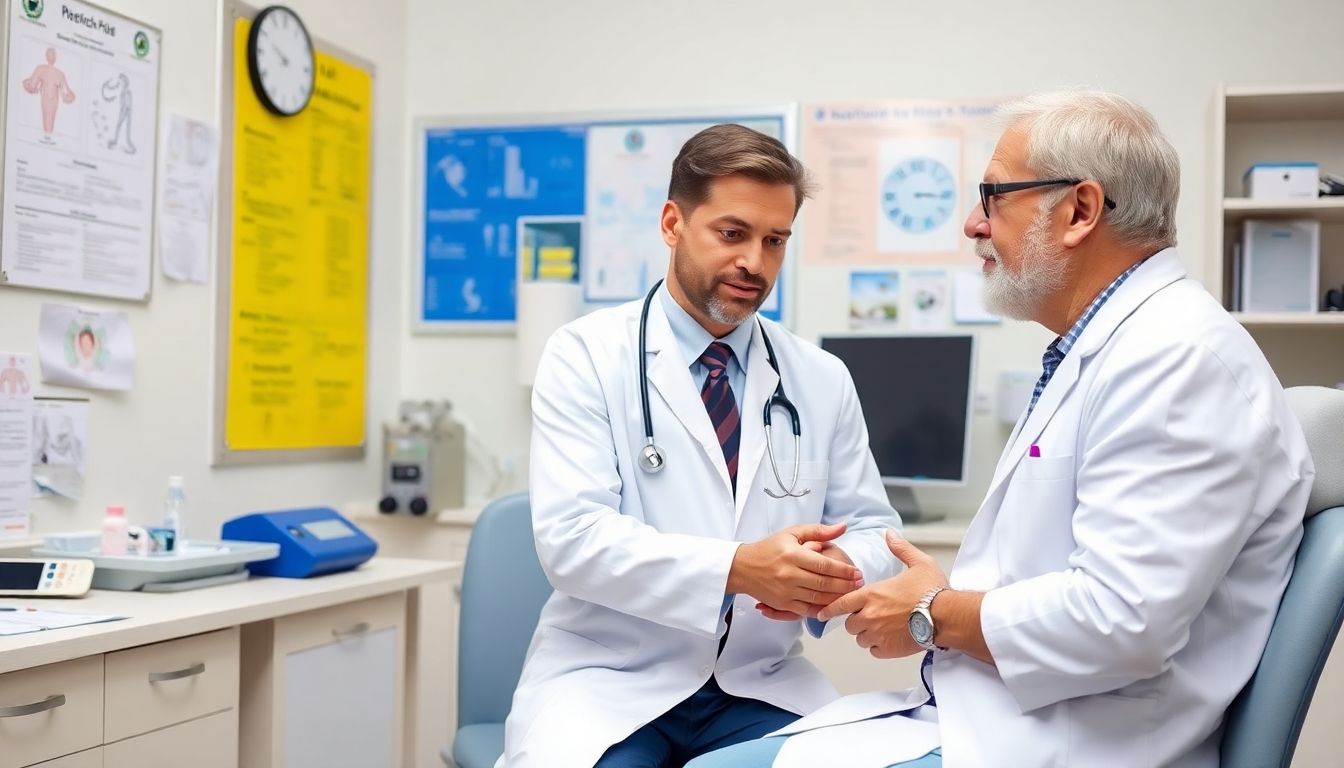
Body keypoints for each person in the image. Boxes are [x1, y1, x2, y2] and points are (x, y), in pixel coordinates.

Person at [687, 91, 1315, 768]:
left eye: (992, 196)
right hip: (1005, 717)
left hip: (1077, 746)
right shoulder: (1114, 351)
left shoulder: (1177, 360)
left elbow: (1121, 620)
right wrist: (922, 604)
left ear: (1079, 211)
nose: (972, 224)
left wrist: (933, 612)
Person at [502, 124, 903, 768]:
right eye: (732, 233)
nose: (755, 263)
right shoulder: (586, 355)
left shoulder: (820, 377)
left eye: (775, 241)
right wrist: (739, 568)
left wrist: (828, 573)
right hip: (611, 683)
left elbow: (876, 532)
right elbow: (572, 541)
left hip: (759, 683)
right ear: (673, 223)